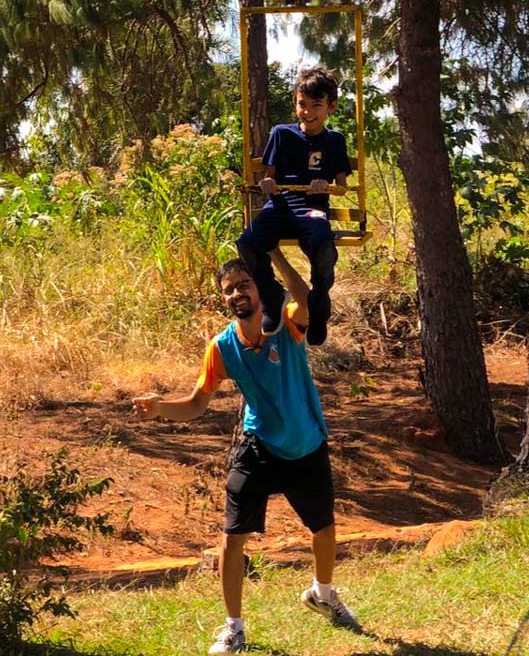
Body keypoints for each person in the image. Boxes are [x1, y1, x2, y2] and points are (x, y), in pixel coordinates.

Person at [132, 250, 360, 655]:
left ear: (260, 288)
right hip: (259, 446)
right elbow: (196, 403)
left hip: (306, 443)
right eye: (229, 289)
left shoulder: (287, 323)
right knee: (232, 538)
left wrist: (273, 254)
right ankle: (233, 629)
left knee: (323, 529)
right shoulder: (221, 348)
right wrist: (160, 407)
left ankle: (323, 593)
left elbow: (307, 299)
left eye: (244, 285)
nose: (237, 293)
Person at [237, 65, 350, 346]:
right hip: (281, 204)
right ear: (294, 103)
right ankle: (271, 295)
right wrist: (267, 183)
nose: (307, 112)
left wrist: (326, 185)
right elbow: (269, 176)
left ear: (331, 107)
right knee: (248, 242)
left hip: (311, 208)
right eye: (302, 104)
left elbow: (342, 185)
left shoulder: (334, 141)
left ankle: (319, 302)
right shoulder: (282, 134)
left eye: (316, 105)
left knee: (323, 246)